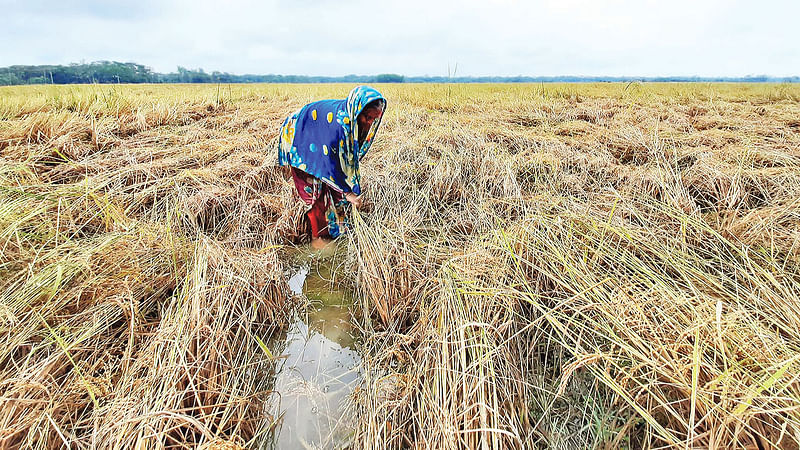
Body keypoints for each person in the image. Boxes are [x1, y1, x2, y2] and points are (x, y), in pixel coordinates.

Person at [277, 86, 386, 249]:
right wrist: (348, 192)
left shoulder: (352, 118)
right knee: (317, 193)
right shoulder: (339, 126)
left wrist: (346, 189)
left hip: (319, 140)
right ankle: (318, 240)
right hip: (300, 139)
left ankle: (335, 229)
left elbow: (343, 159)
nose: (370, 123)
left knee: (334, 192)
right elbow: (329, 163)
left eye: (374, 118)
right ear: (358, 110)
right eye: (367, 117)